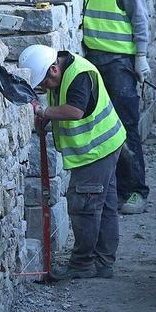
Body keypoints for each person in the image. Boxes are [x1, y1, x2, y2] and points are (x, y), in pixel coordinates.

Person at [19, 41, 126, 280]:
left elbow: (75, 111)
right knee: (105, 205)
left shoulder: (79, 76)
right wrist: (49, 115)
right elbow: (63, 102)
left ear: (54, 69)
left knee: (84, 207)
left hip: (96, 150)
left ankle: (82, 264)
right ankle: (103, 263)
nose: (45, 88)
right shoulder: (65, 70)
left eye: (44, 83)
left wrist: (43, 112)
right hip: (106, 144)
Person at [75, 0, 153, 216]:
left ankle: (136, 191)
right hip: (95, 61)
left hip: (120, 62)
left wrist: (141, 57)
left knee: (126, 127)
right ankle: (115, 189)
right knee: (104, 128)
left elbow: (139, 17)